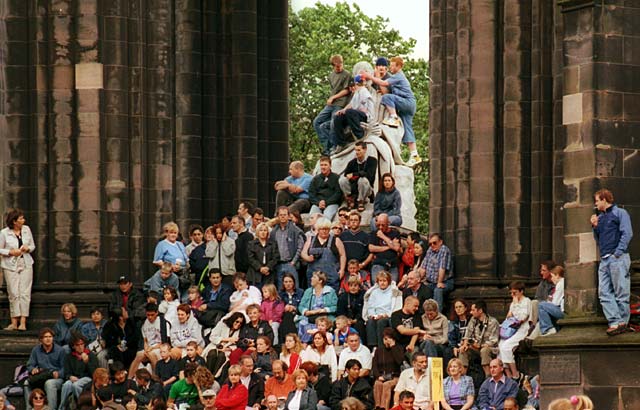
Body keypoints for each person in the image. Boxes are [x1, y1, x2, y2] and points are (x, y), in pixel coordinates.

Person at [361, 56, 422, 167]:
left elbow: (384, 85)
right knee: (408, 130)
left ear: (398, 66)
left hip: (407, 102)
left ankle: (394, 118)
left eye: (392, 66)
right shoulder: (396, 77)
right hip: (407, 107)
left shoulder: (398, 76)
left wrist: (369, 76)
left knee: (387, 98)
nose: (390, 68)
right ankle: (414, 154)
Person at [590, 188, 633, 336]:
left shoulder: (620, 213)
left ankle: (622, 323)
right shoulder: (600, 217)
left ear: (604, 199)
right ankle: (615, 321)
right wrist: (595, 227)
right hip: (605, 258)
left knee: (621, 291)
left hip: (617, 258)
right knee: (604, 293)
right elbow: (598, 239)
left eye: (596, 200)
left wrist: (617, 253)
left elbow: (627, 233)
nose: (595, 204)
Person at [0, 208, 35, 331]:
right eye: (21, 218)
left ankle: (23, 322)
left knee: (25, 292)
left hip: (25, 263)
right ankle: (14, 321)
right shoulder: (4, 233)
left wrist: (27, 248)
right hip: (10, 265)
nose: (23, 220)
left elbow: (33, 246)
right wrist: (10, 252)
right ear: (14, 221)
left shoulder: (26, 230)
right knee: (14, 293)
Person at [313, 54, 353, 155]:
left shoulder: (346, 74)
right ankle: (327, 146)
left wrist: (334, 97)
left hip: (340, 103)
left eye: (341, 65)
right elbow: (333, 89)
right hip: (331, 104)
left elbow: (347, 90)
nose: (340, 67)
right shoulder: (331, 76)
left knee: (332, 123)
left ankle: (334, 146)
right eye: (337, 66)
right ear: (333, 66)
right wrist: (331, 98)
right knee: (317, 122)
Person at [301, 217, 347, 292]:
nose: (324, 231)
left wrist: (342, 270)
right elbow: (303, 253)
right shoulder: (311, 239)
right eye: (322, 229)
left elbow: (343, 255)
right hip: (314, 277)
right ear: (318, 229)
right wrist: (308, 258)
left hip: (330, 277)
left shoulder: (336, 240)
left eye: (327, 229)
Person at [24, 328, 65, 410]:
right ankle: (29, 408)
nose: (48, 339)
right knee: (26, 383)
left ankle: (50, 409)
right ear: (41, 339)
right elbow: (30, 364)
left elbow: (65, 368)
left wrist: (58, 373)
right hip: (42, 375)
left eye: (50, 336)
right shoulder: (36, 350)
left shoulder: (60, 350)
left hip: (56, 378)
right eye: (45, 337)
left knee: (49, 383)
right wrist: (33, 369)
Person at [332, 75, 375, 153]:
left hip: (365, 115)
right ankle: (341, 143)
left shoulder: (364, 91)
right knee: (338, 117)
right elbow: (351, 104)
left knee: (350, 112)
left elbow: (363, 108)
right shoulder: (357, 92)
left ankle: (360, 135)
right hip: (355, 114)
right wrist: (343, 110)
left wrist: (349, 112)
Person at [497, 281, 531, 381]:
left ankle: (515, 374)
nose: (513, 295)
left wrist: (516, 305)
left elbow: (522, 318)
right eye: (511, 293)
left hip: (522, 329)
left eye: (514, 293)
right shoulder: (513, 303)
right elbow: (509, 316)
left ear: (521, 291)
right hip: (511, 329)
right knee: (500, 346)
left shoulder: (526, 301)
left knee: (507, 347)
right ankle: (508, 374)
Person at [458, 300, 499, 377]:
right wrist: (465, 344)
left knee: (484, 351)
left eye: (473, 310)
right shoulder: (473, 320)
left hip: (489, 348)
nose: (471, 312)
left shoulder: (493, 322)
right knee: (463, 350)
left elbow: (494, 340)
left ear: (480, 311)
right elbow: (468, 333)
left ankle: (488, 377)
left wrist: (480, 345)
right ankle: (462, 377)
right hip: (475, 348)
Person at [363, 271, 403, 349]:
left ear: (388, 281)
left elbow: (395, 307)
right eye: (380, 281)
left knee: (381, 322)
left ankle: (381, 347)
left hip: (388, 315)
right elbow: (370, 306)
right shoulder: (374, 292)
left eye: (384, 281)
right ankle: (373, 347)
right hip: (376, 314)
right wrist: (373, 315)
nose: (382, 283)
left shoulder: (393, 291)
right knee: (370, 321)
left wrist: (385, 315)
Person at [59, 335, 98, 410]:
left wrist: (86, 362)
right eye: (77, 345)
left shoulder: (91, 355)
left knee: (76, 385)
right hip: (75, 378)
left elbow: (94, 373)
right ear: (73, 346)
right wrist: (70, 377)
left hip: (88, 378)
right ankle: (62, 407)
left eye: (82, 344)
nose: (80, 346)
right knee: (67, 385)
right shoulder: (69, 357)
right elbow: (66, 372)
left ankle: (82, 406)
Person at [269, 206, 305, 288]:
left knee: (294, 289)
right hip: (278, 265)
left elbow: (300, 247)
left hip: (290, 264)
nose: (282, 216)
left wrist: (293, 262)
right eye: (280, 215)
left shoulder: (296, 230)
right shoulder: (274, 232)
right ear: (277, 216)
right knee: (280, 289)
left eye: (284, 215)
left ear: (288, 216)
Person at [418, 233, 454, 312]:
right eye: (430, 244)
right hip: (431, 282)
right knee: (420, 288)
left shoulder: (444, 250)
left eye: (434, 243)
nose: (432, 245)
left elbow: (442, 268)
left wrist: (439, 282)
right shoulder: (430, 250)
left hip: (446, 281)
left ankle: (437, 315)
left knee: (438, 290)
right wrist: (417, 279)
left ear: (440, 242)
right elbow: (423, 268)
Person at [372, 328, 405, 410]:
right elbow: (374, 365)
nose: (386, 341)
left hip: (395, 377)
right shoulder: (378, 350)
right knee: (378, 384)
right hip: (381, 376)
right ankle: (377, 407)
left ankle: (384, 407)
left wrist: (393, 346)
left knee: (386, 385)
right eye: (385, 339)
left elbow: (399, 361)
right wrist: (378, 376)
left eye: (388, 339)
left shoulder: (399, 348)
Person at [339, 142, 377, 212]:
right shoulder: (352, 162)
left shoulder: (372, 160)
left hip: (367, 188)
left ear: (365, 150)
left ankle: (361, 201)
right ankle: (351, 199)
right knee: (342, 180)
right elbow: (346, 175)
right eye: (355, 150)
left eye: (359, 150)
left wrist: (354, 174)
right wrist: (353, 176)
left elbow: (369, 175)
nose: (356, 152)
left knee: (362, 180)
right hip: (354, 188)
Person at [308, 156, 343, 222]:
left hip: (331, 203)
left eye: (325, 165)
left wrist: (326, 202)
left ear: (330, 166)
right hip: (318, 204)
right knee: (313, 218)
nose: (323, 167)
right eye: (321, 165)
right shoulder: (315, 179)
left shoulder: (336, 178)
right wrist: (318, 202)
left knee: (326, 218)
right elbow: (311, 194)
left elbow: (338, 193)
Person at [368, 213, 401, 282]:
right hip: (379, 263)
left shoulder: (395, 233)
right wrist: (390, 246)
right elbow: (371, 248)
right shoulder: (374, 233)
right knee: (377, 285)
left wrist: (383, 236)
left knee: (393, 287)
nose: (380, 227)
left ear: (388, 223)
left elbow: (397, 248)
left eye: (383, 225)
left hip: (392, 265)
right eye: (378, 225)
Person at [247, 222, 280, 287]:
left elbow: (275, 257)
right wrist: (260, 268)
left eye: (265, 230)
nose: (263, 232)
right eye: (261, 230)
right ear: (257, 232)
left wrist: (268, 267)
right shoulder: (251, 244)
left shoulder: (273, 244)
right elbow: (251, 258)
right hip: (255, 275)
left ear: (268, 232)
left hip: (269, 275)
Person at [337, 276, 366, 340]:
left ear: (359, 286)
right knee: (339, 324)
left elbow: (363, 310)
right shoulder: (343, 297)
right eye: (351, 285)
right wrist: (346, 320)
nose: (353, 288)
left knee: (359, 325)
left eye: (355, 285)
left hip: (359, 319)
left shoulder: (363, 295)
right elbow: (340, 311)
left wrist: (356, 319)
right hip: (345, 319)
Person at [538, 265, 565, 336]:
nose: (552, 279)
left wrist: (549, 301)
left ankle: (548, 328)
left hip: (562, 311)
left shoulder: (560, 284)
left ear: (557, 275)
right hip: (561, 309)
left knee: (541, 305)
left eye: (552, 276)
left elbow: (555, 303)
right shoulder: (561, 283)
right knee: (543, 307)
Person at [279, 273, 304, 338]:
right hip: (285, 316)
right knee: (288, 315)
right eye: (286, 282)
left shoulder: (300, 292)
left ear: (294, 283)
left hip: (298, 314)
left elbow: (304, 305)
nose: (288, 284)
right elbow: (277, 308)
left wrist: (295, 308)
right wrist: (284, 308)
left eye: (290, 281)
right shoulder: (280, 294)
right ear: (283, 283)